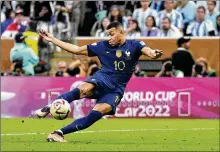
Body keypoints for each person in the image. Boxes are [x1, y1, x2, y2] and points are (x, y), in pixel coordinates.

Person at [31, 21, 163, 142]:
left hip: (116, 90)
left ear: (121, 32)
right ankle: (49, 107)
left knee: (95, 115)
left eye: (111, 34)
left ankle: (58, 133)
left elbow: (149, 52)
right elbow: (76, 50)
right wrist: (53, 39)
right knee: (84, 89)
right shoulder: (102, 45)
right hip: (102, 78)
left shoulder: (135, 44)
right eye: (107, 35)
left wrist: (154, 53)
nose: (109, 37)